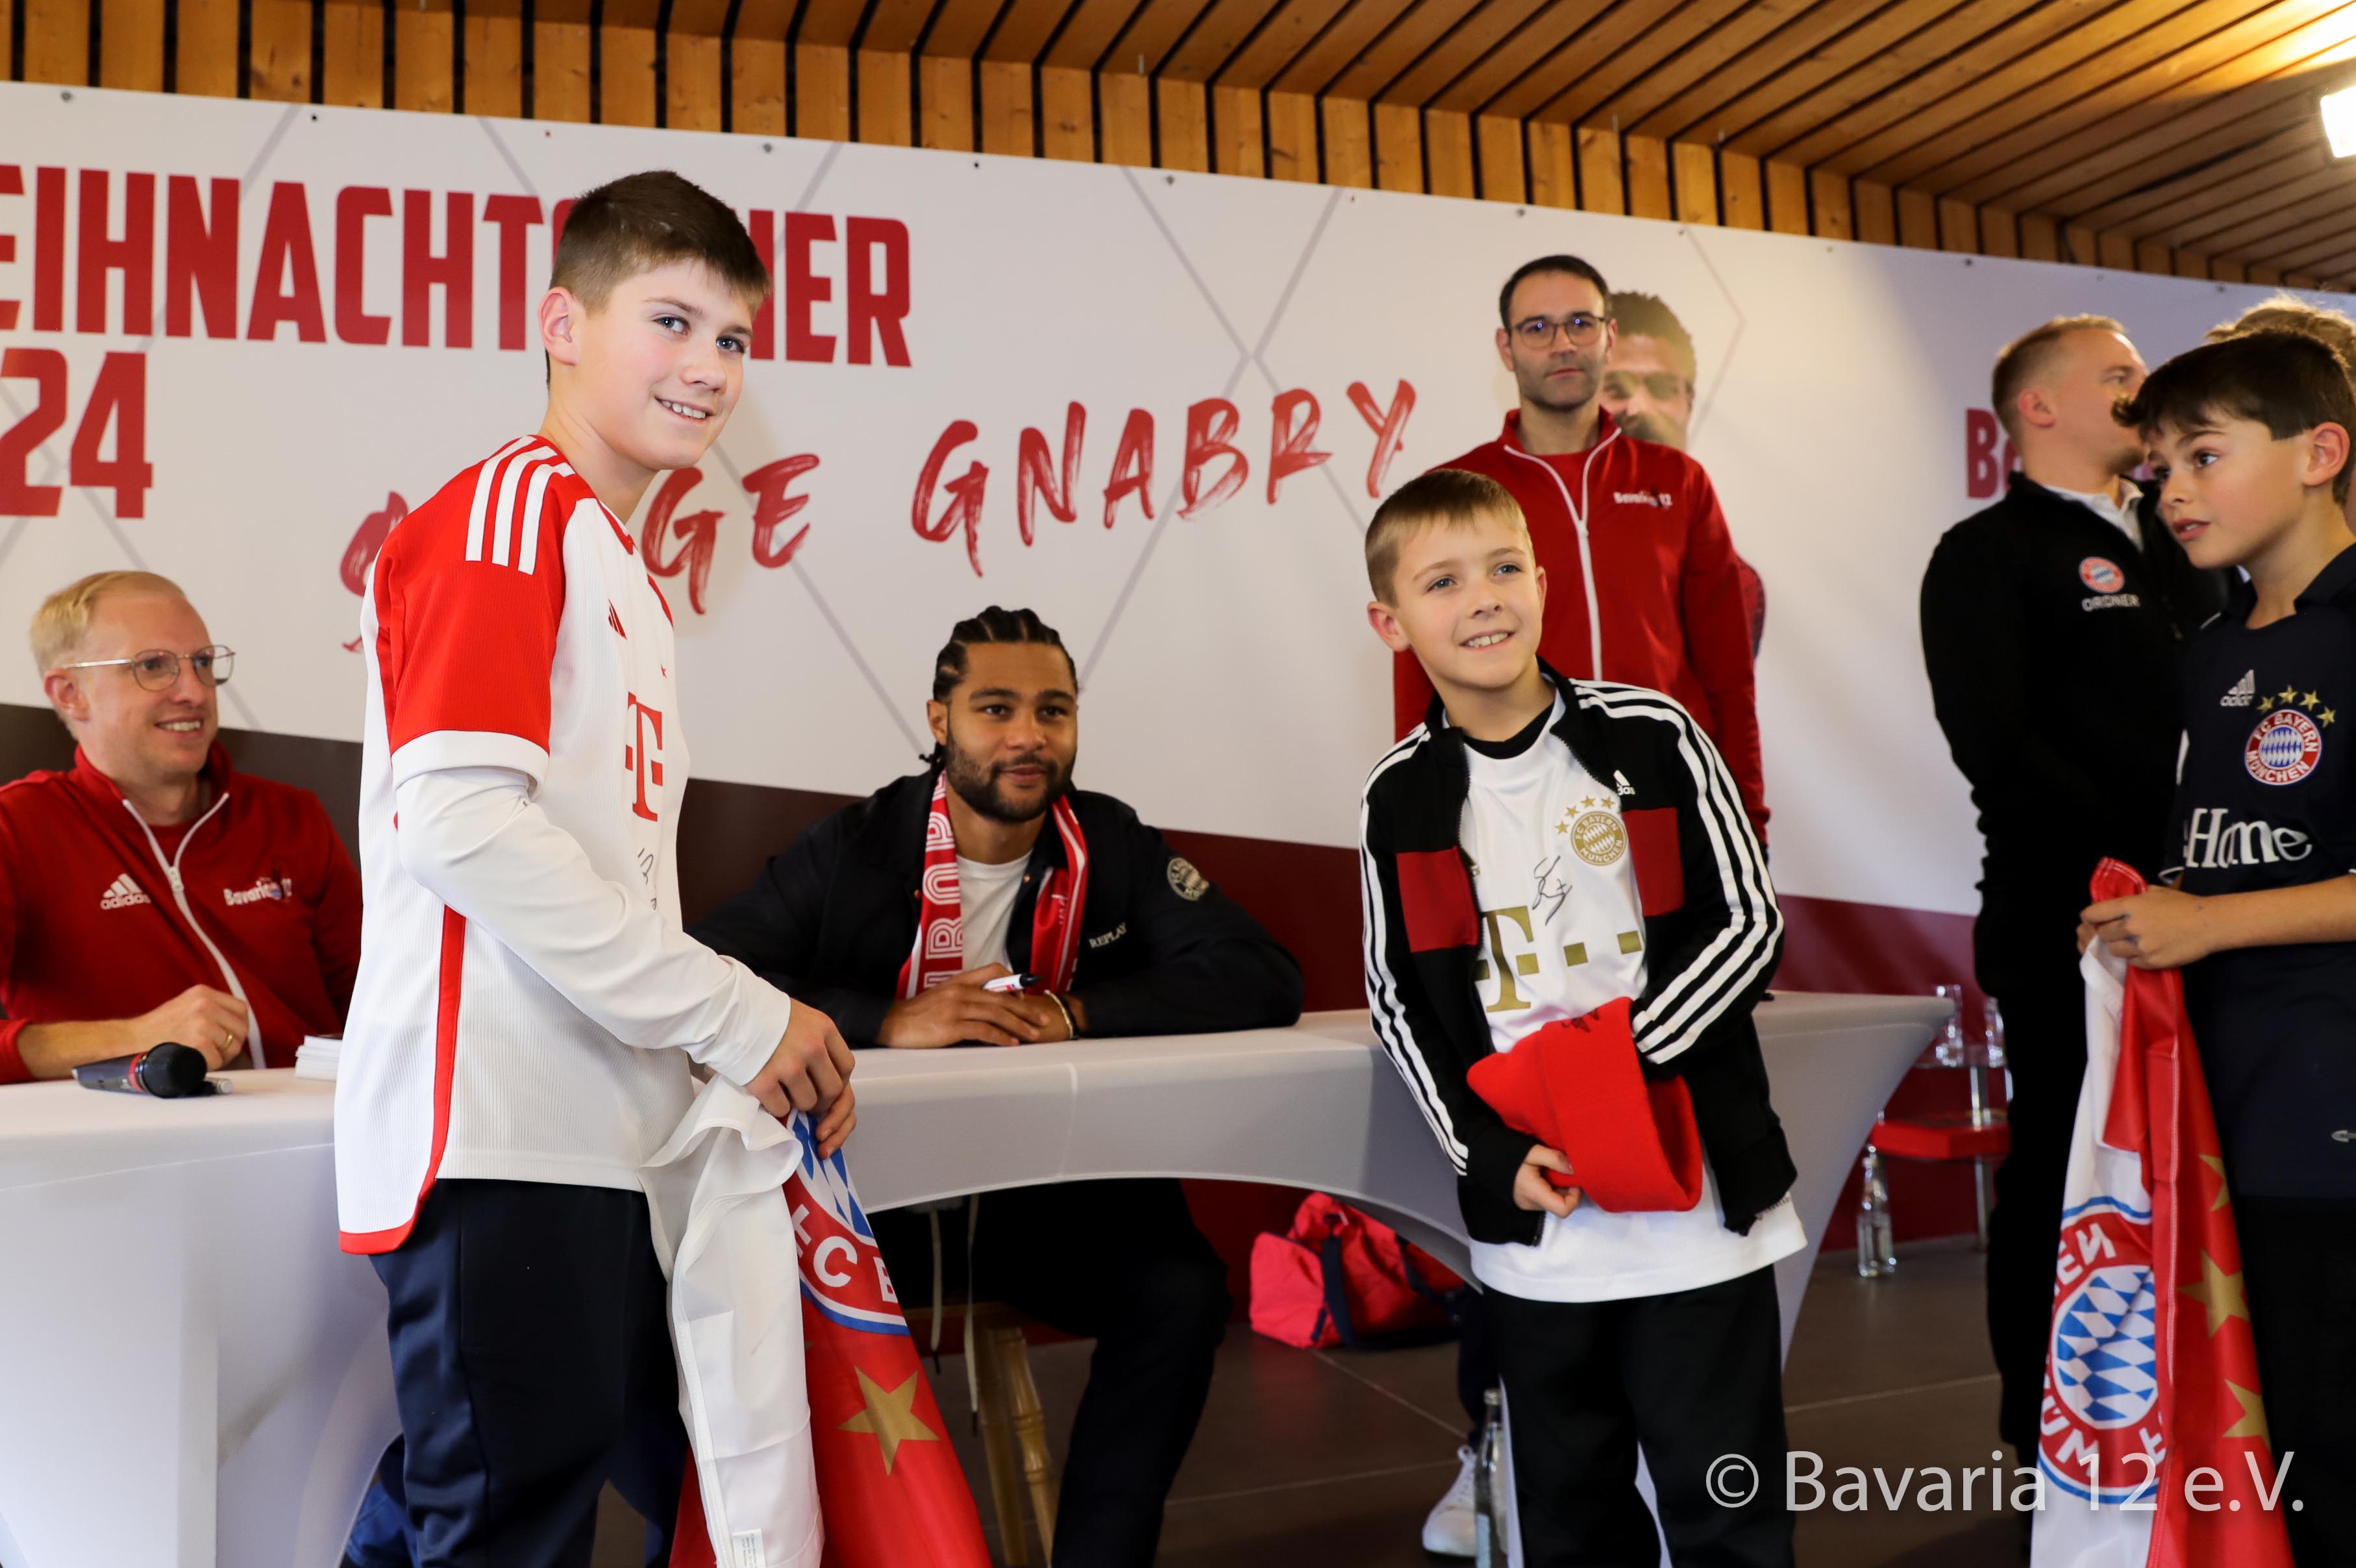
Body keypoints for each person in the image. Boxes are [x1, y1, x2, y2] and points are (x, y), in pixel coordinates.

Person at [333, 170, 856, 1568]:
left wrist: (720, 1052)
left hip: (598, 1134)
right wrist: (735, 1013)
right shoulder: (507, 515)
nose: (709, 368)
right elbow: (460, 826)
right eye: (670, 321)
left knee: (481, 1503)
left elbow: (605, 881)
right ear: (563, 323)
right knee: (501, 1523)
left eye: (732, 338)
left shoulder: (611, 554)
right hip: (497, 1132)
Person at [691, 604, 1302, 1567]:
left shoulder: (1109, 842)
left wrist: (1074, 1012)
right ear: (939, 720)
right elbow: (711, 970)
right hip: (868, 1210)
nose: (1027, 735)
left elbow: (1260, 975)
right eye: (995, 708)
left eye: (1052, 710)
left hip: (1046, 1197)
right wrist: (889, 1019)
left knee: (1180, 1293)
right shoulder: (855, 845)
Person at [1361, 467, 1798, 1567]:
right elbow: (1397, 999)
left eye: (1505, 567)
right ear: (1390, 622)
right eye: (1442, 581)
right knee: (1569, 1522)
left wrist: (1612, 1075)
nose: (1483, 598)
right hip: (1540, 1226)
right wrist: (1489, 1149)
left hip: (1694, 1208)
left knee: (1727, 1514)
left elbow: (1747, 925)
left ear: (1543, 584)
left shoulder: (1650, 734)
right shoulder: (1399, 794)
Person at [1918, 314, 2222, 1468]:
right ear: (2036, 406)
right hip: (2067, 920)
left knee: (2209, 1166)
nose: (2142, 394)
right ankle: (2039, 1438)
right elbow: (1997, 750)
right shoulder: (1985, 554)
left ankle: (2202, 1418)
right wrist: (2133, 873)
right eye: (2118, 376)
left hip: (2218, 916)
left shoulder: (2188, 538)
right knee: (2062, 1166)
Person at [2085, 330, 2356, 1565]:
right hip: (2221, 1099)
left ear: (2318, 451)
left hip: (2329, 1099)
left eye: (2203, 455)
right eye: (2157, 469)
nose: (2172, 492)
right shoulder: (2213, 646)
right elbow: (2238, 855)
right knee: (2268, 1428)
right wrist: (2154, 910)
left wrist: (2209, 922)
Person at [1393, 256, 1766, 847]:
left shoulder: (1678, 481)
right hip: (1514, 803)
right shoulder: (1455, 492)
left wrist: (1746, 816)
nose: (1562, 343)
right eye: (1537, 328)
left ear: (1608, 337)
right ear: (1506, 347)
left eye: (1579, 324)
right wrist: (1427, 828)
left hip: (1668, 792)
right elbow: (1422, 672)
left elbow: (1728, 675)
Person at [0, 571, 358, 1084]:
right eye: (153, 665)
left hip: (319, 1125)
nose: (194, 690)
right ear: (71, 693)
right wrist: (135, 1035)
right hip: (126, 1134)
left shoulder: (290, 816)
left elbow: (386, 1004)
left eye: (203, 662)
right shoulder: (18, 829)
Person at [1601, 290, 1766, 654]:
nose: (1639, 407)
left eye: (1660, 388)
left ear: (1688, 403)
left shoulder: (1735, 584)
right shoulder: (1528, 556)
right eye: (1616, 388)